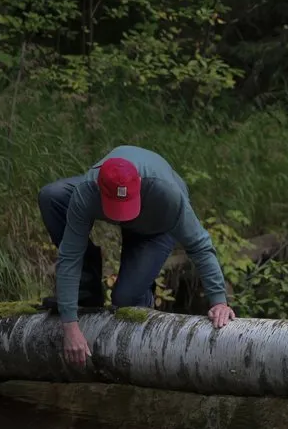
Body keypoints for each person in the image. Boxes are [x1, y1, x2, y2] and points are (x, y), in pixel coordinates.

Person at [37, 145, 236, 365]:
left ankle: (143, 305)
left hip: (154, 230)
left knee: (126, 301)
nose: (122, 216)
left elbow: (200, 245)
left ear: (139, 185)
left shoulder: (168, 195)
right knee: (52, 196)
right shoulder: (87, 191)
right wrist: (70, 326)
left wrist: (219, 300)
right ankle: (86, 291)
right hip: (108, 199)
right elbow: (70, 255)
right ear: (99, 188)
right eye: (116, 206)